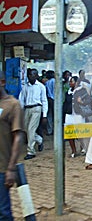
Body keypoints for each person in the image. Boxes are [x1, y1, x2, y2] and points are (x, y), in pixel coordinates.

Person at [0, 71, 25, 220]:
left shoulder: (13, 105)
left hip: (2, 167)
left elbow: (18, 137)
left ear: (2, 82)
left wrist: (11, 168)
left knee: (3, 211)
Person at [19, 68, 48, 160]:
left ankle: (31, 151)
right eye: (29, 75)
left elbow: (44, 100)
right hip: (27, 109)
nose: (30, 76)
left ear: (36, 76)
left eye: (32, 75)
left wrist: (44, 115)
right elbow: (21, 100)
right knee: (26, 129)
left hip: (36, 108)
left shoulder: (40, 86)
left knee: (31, 129)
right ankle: (39, 139)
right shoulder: (25, 87)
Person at [63, 76, 79, 158]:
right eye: (70, 82)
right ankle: (73, 150)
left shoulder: (81, 91)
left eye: (71, 81)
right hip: (69, 114)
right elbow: (65, 103)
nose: (70, 83)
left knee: (80, 132)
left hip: (78, 114)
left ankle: (82, 147)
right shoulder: (67, 92)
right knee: (70, 133)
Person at [45, 70, 55, 136]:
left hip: (49, 99)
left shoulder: (47, 82)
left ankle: (49, 130)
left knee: (49, 115)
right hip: (54, 99)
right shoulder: (54, 81)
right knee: (56, 115)